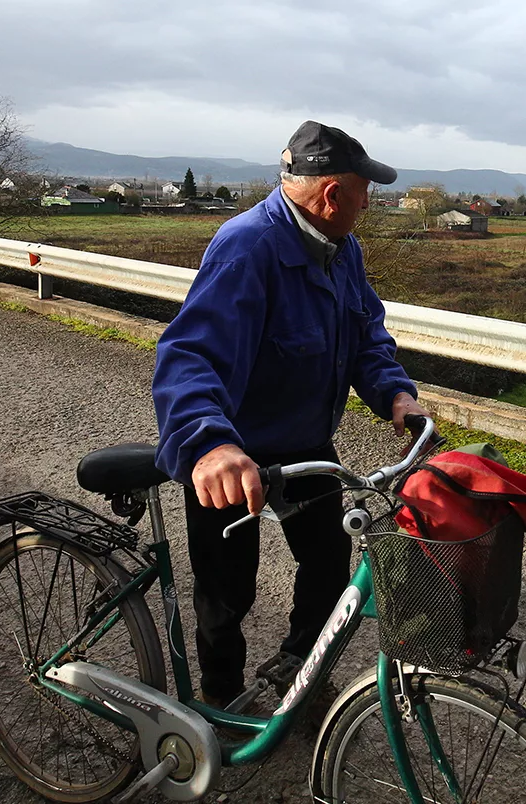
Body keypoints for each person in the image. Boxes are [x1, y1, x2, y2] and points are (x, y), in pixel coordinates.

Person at [152, 120, 429, 708]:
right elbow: (190, 354)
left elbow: (364, 331)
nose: (369, 200)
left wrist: (393, 392)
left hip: (304, 443)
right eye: (365, 189)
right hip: (237, 451)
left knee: (330, 569)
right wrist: (208, 443)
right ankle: (220, 704)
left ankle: (298, 674)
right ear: (333, 195)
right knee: (226, 595)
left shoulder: (341, 247)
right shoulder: (248, 246)